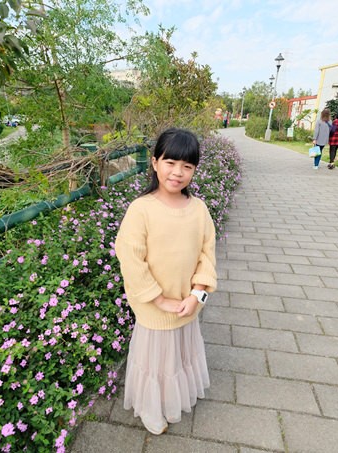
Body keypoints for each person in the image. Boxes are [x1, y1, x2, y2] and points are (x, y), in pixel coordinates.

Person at [115, 127, 217, 435]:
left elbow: (207, 254)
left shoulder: (198, 209)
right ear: (155, 162)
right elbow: (131, 258)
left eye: (187, 166)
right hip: (155, 308)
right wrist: (159, 299)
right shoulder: (141, 209)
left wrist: (197, 295)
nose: (178, 172)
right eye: (170, 162)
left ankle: (174, 400)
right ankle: (150, 407)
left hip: (186, 305)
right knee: (156, 361)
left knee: (179, 356)